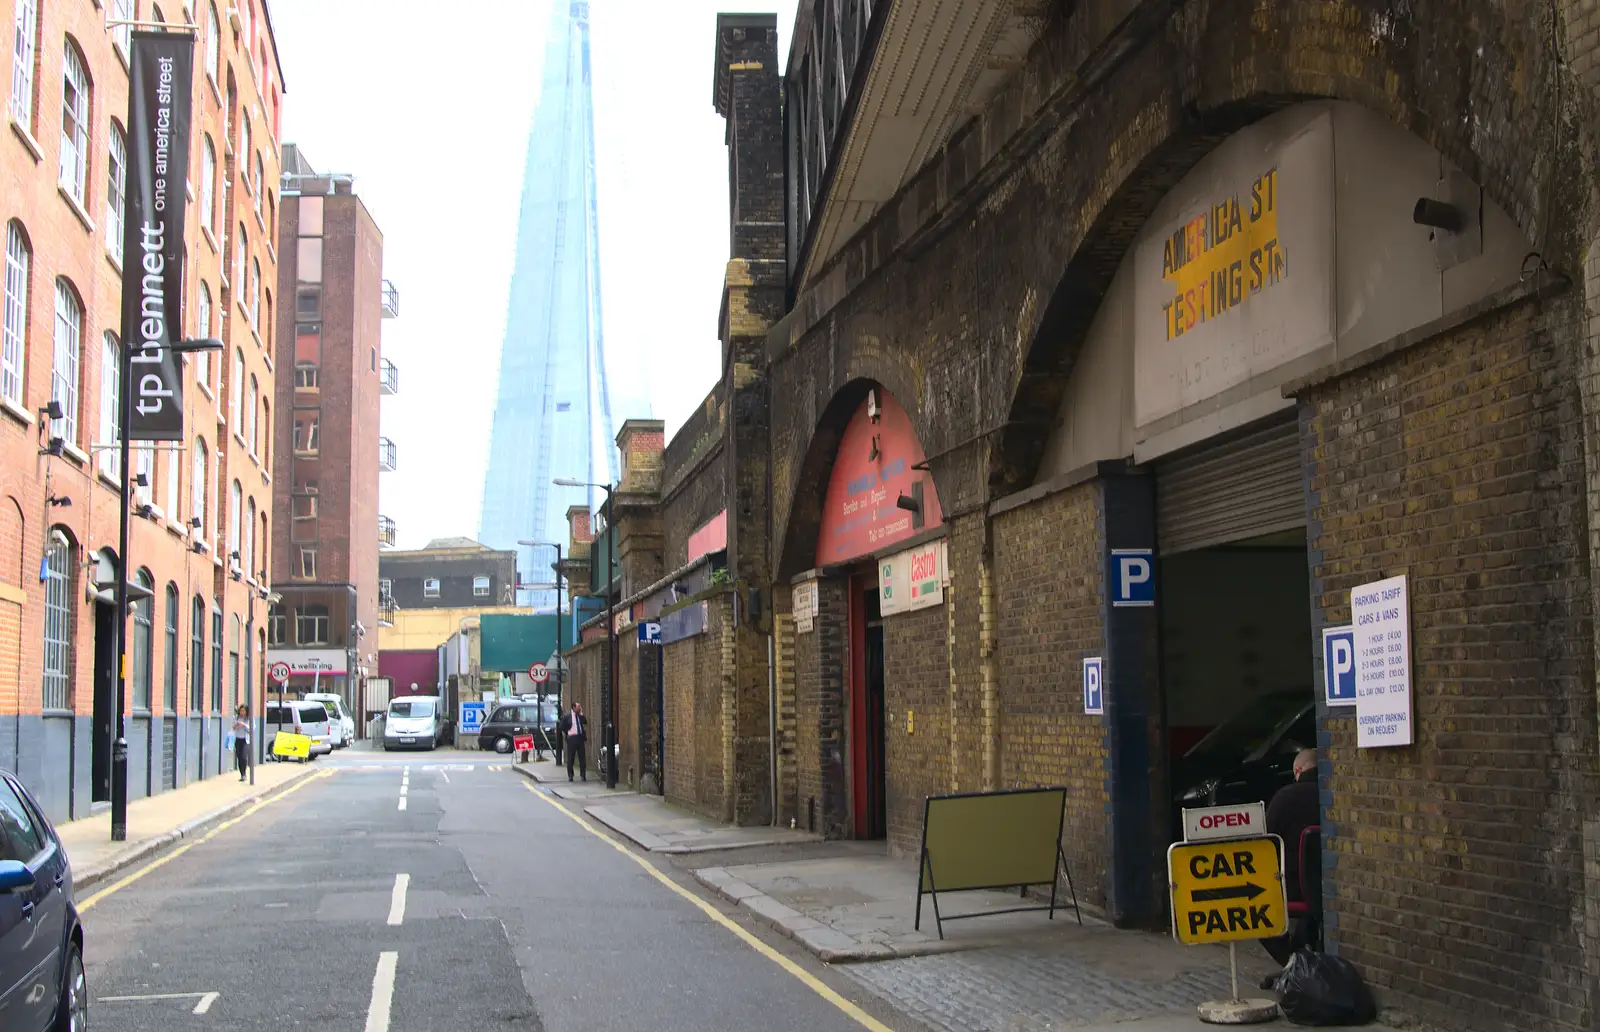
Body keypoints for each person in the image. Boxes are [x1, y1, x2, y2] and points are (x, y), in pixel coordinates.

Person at [1262, 747, 1320, 966]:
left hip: (1293, 886)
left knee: (1257, 912)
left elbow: (1266, 842)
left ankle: (1292, 962)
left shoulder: (1286, 797)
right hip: (1331, 885)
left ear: (1298, 770)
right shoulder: (1332, 794)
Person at [559, 701, 587, 781]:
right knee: (571, 758)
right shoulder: (567, 716)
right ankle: (570, 775)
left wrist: (581, 714)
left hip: (580, 738)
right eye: (578, 707)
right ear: (574, 708)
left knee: (582, 757)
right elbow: (561, 726)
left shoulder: (579, 715)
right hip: (572, 738)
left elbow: (585, 722)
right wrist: (568, 733)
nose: (579, 709)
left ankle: (583, 775)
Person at [231, 705, 251, 782]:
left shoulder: (249, 719)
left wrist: (244, 725)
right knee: (239, 757)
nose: (242, 712)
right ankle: (242, 774)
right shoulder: (236, 717)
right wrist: (236, 725)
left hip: (245, 740)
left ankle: (244, 773)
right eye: (241, 711)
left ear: (246, 712)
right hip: (238, 739)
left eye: (243, 711)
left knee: (243, 756)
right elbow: (233, 727)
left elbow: (252, 729)